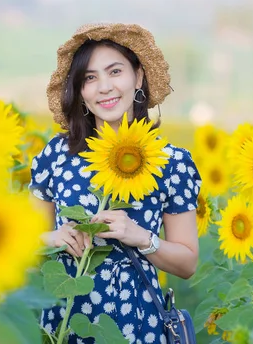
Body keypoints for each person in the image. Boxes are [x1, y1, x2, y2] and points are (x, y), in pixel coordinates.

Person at [29, 23, 201, 344]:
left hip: (136, 324)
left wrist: (140, 237)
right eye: (90, 78)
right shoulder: (57, 154)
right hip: (64, 319)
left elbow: (188, 262)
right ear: (80, 91)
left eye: (115, 71)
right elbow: (25, 240)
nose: (104, 87)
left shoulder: (170, 162)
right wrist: (53, 238)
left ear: (138, 77)